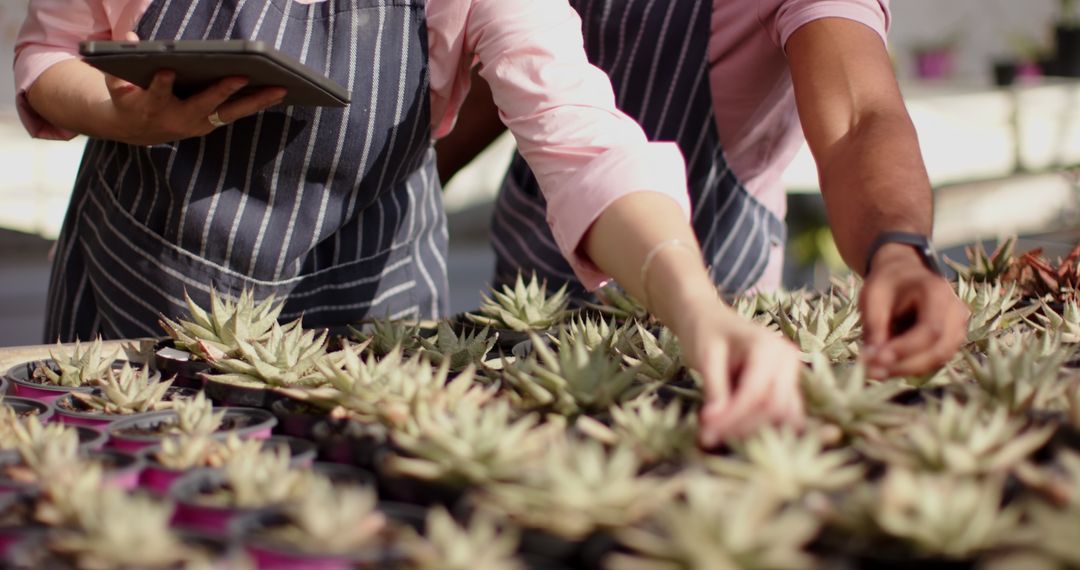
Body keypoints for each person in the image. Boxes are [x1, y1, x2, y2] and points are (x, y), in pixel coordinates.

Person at [16, 0, 808, 445]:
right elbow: (48, 54)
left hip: (369, 298)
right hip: (145, 283)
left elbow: (583, 142)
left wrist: (698, 309)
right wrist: (135, 118)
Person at [438, 0, 970, 391]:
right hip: (534, 284)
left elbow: (858, 121)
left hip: (713, 308)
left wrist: (897, 252)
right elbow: (518, 60)